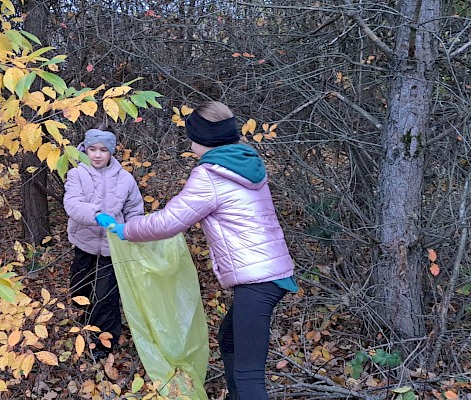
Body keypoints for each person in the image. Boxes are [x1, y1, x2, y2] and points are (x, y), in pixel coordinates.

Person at [97, 102, 297, 400]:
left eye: (191, 136)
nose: (189, 143)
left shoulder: (210, 175)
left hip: (258, 279)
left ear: (202, 139)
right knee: (228, 339)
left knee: (249, 374)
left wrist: (125, 230)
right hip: (270, 273)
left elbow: (169, 222)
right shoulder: (246, 163)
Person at [64, 123, 145, 360]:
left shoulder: (125, 179)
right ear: (85, 149)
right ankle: (85, 324)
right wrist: (96, 214)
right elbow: (73, 203)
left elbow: (134, 210)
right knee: (80, 290)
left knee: (105, 296)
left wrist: (132, 231)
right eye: (92, 149)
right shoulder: (77, 174)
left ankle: (103, 345)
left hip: (113, 250)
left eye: (103, 150)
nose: (97, 155)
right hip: (84, 245)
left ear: (111, 151)